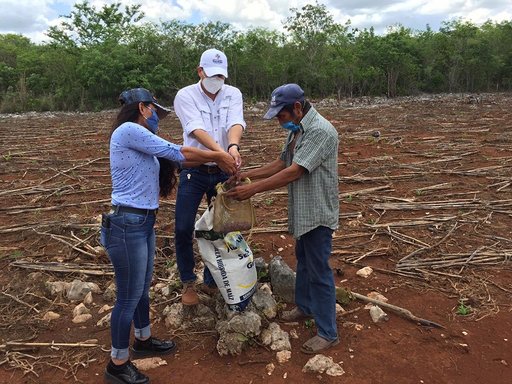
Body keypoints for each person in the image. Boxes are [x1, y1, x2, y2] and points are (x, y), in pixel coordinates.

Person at [101, 87, 236, 384]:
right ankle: (117, 364)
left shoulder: (139, 139)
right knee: (127, 296)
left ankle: (143, 339)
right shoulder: (128, 130)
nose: (156, 119)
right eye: (154, 112)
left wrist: (221, 164)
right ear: (143, 108)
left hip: (142, 223)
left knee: (140, 288)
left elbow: (184, 162)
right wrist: (220, 154)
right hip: (127, 225)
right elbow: (180, 151)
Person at [226, 84, 340, 354]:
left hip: (317, 213)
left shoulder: (320, 131)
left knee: (320, 270)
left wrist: (251, 190)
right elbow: (281, 163)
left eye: (281, 116)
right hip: (303, 211)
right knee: (303, 258)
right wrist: (246, 175)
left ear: (297, 108)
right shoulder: (298, 129)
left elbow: (294, 172)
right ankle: (305, 306)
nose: (279, 121)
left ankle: (328, 332)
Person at [173, 48, 246, 306]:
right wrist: (220, 154)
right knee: (183, 227)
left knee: (221, 226)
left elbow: (235, 123)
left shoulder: (233, 93)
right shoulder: (185, 95)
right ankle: (187, 282)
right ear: (200, 71)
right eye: (212, 75)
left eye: (221, 76)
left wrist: (233, 148)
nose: (217, 80)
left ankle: (214, 278)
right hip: (195, 168)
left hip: (222, 171)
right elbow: (196, 129)